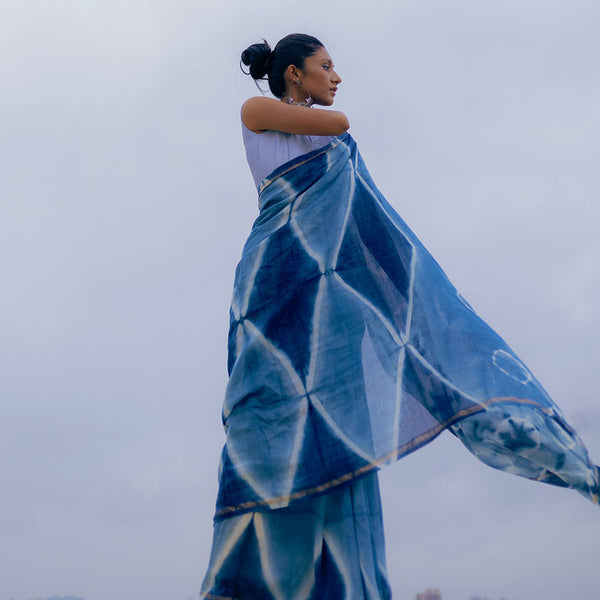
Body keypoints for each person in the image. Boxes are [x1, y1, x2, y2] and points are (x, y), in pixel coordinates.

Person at [200, 34, 599, 600]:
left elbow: (365, 228)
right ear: (293, 73)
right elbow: (336, 123)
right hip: (276, 286)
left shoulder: (336, 150)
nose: (336, 76)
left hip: (333, 303)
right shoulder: (258, 113)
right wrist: (322, 112)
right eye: (326, 66)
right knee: (268, 427)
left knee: (335, 435)